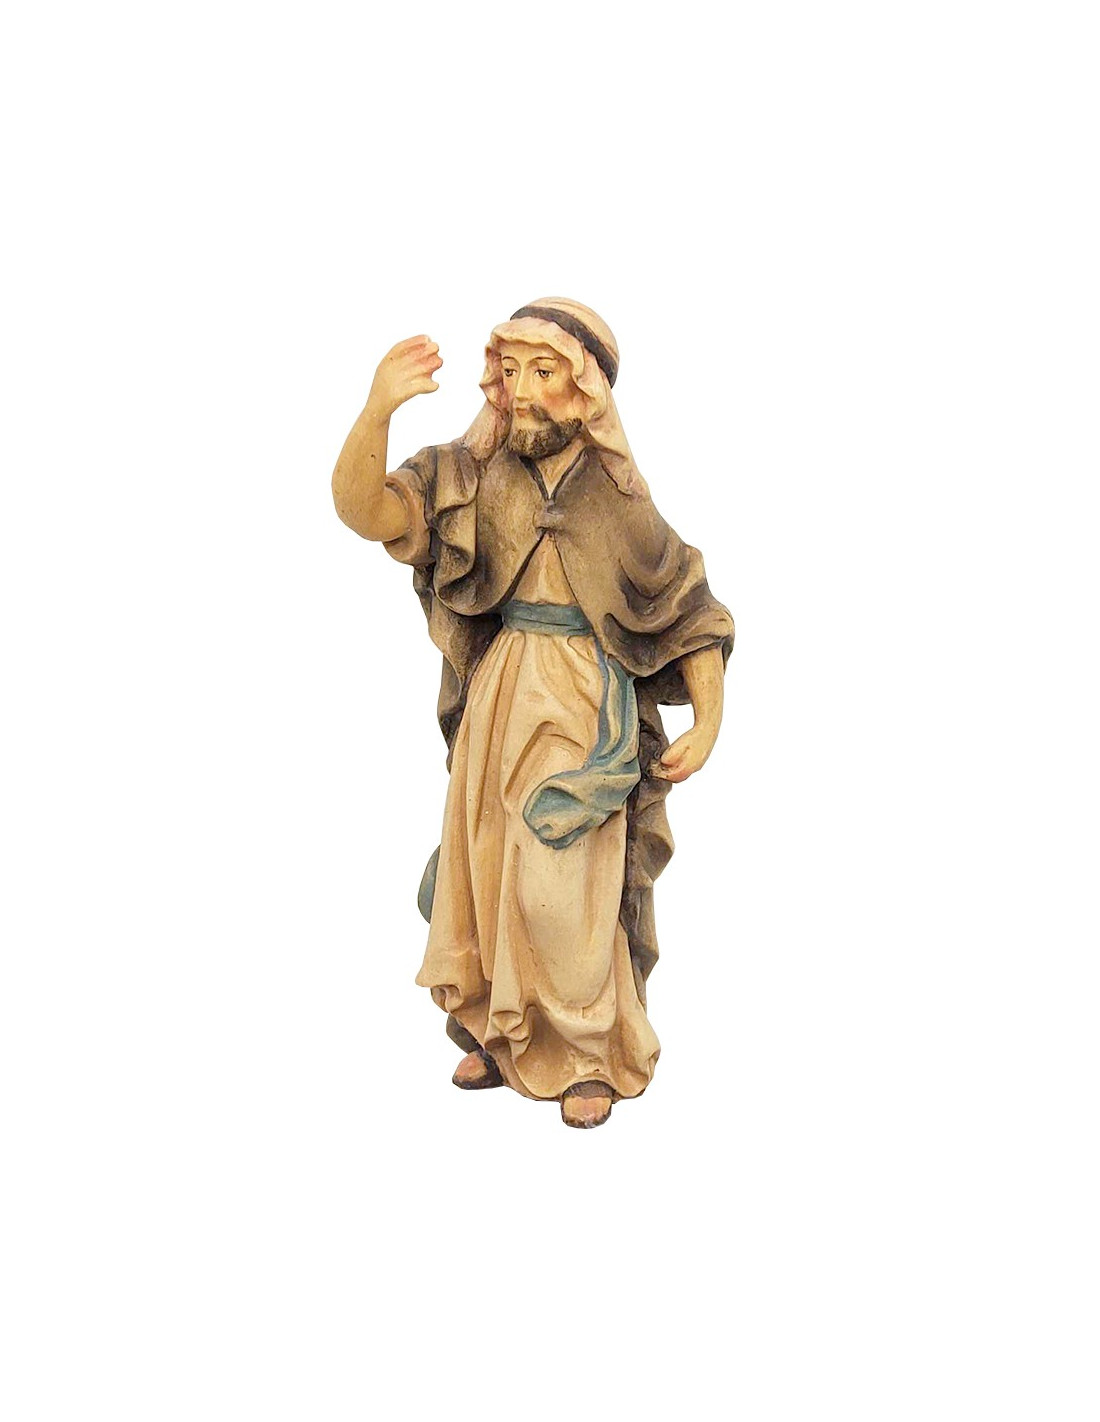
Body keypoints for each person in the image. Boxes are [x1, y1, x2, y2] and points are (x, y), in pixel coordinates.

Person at [332, 299, 734, 1128]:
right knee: (486, 867)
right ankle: (498, 1026)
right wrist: (377, 408)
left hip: (584, 702)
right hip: (500, 692)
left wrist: (708, 722)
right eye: (510, 371)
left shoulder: (618, 501)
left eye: (543, 372)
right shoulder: (471, 476)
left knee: (565, 881)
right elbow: (366, 511)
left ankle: (587, 1051)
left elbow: (688, 608)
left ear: (586, 390)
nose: (521, 391)